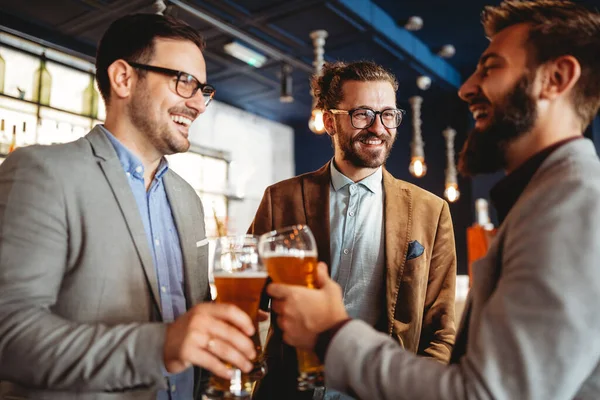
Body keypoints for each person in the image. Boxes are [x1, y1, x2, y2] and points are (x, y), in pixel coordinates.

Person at [266, 1, 600, 399]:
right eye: (362, 114)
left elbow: (479, 382)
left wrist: (331, 334)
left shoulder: (574, 206)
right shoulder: (547, 199)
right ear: (330, 120)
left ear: (557, 77)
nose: (466, 87)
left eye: (491, 66)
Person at [0, 14, 257, 400]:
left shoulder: (188, 200)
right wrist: (161, 345)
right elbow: (10, 334)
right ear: (123, 78)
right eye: (184, 82)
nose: (198, 104)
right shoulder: (42, 172)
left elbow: (188, 320)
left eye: (203, 89)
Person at [249, 60, 457, 399]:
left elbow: (442, 329)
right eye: (362, 114)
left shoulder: (431, 211)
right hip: (289, 389)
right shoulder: (280, 199)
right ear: (330, 121)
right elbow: (248, 300)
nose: (378, 127)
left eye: (388, 114)